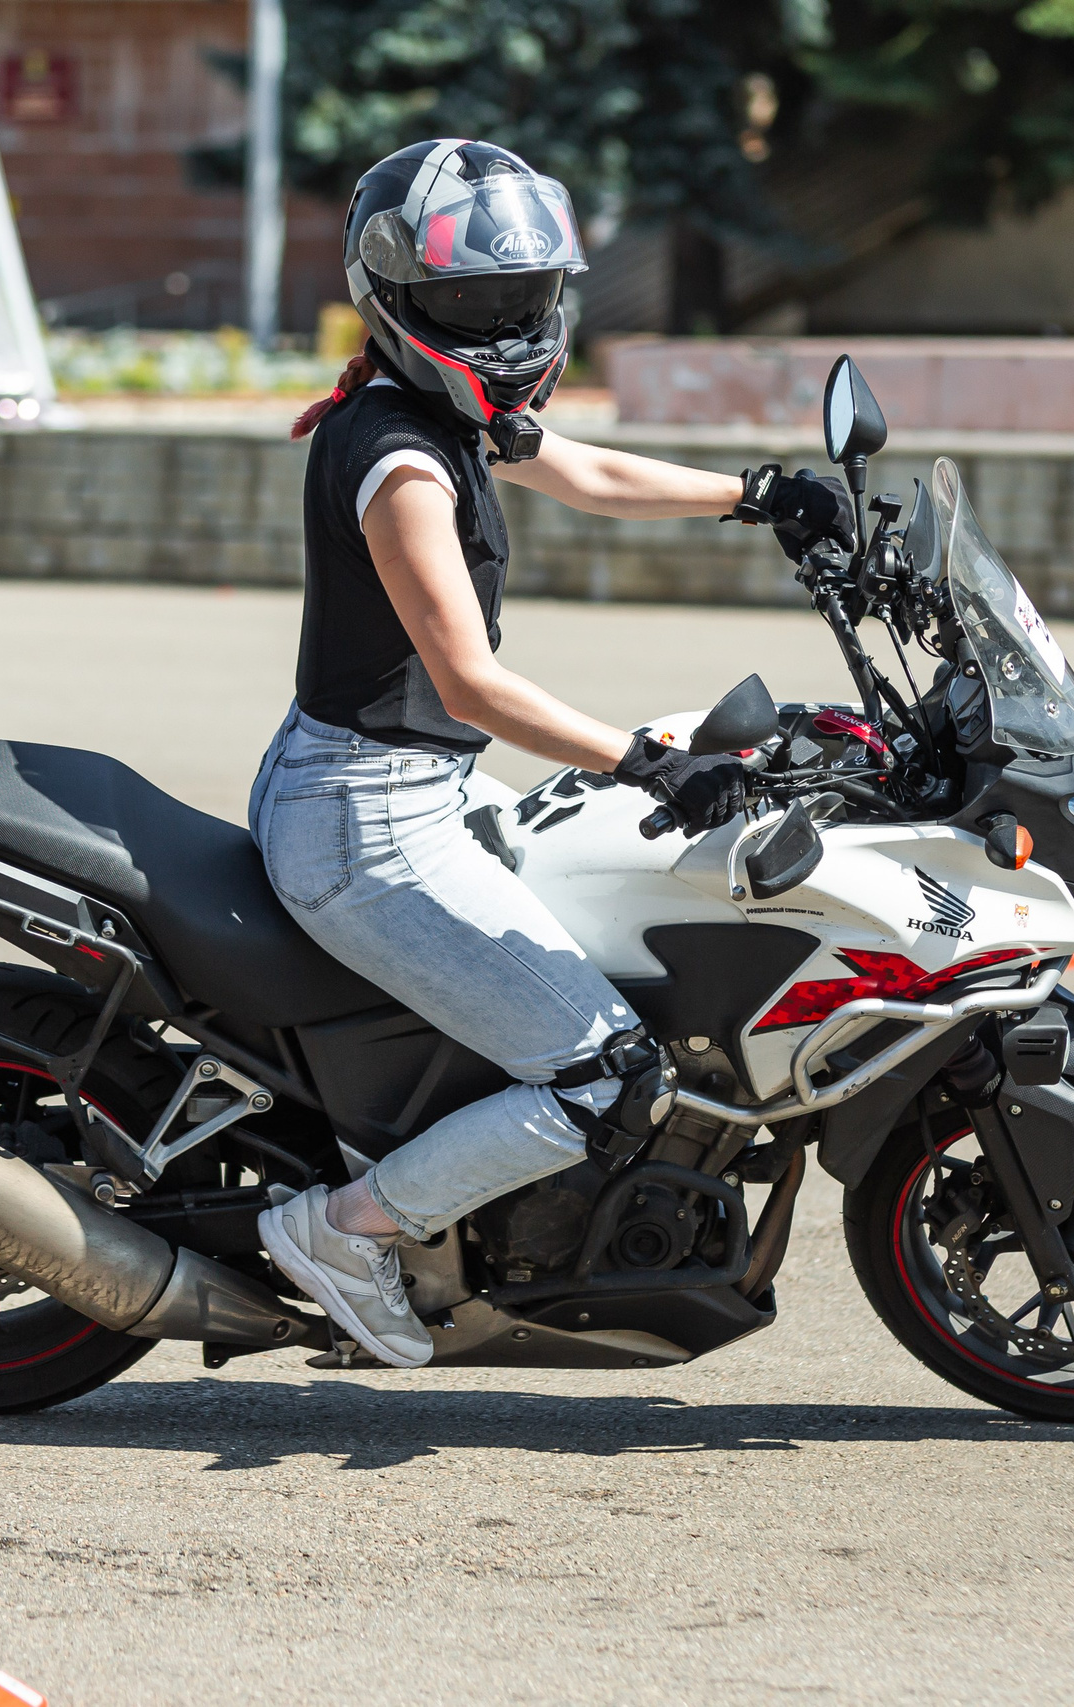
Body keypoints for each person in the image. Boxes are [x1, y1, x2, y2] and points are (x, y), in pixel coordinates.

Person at [247, 139, 853, 1368]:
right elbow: (470, 679)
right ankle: (345, 1230)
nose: (506, 326)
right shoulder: (401, 459)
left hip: (409, 786)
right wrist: (647, 762)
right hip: (366, 822)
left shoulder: (437, 411)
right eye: (473, 304)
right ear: (400, 301)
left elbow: (591, 470)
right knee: (600, 1074)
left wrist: (757, 494)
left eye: (523, 300)